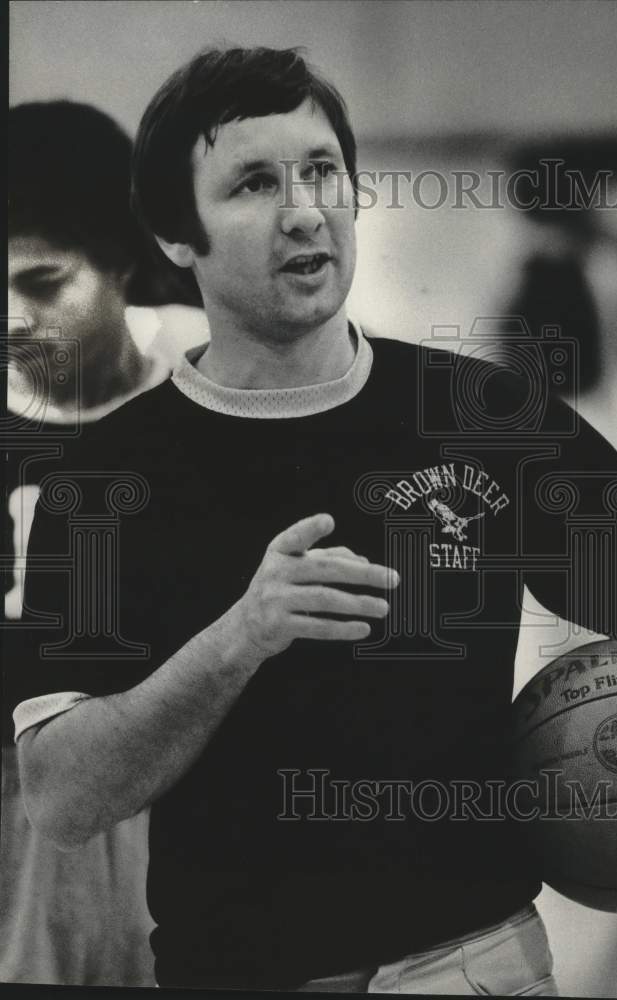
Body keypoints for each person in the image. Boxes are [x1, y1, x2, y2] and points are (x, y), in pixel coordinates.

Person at [7, 49, 617, 994]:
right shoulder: (104, 479)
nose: (304, 208)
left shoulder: (483, 416)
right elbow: (64, 797)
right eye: (253, 183)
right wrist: (238, 640)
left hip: (476, 964)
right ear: (174, 234)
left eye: (322, 171)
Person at [3, 100, 208, 985]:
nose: (11, 318)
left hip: (178, 839)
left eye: (42, 284)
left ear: (122, 261)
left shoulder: (205, 415)